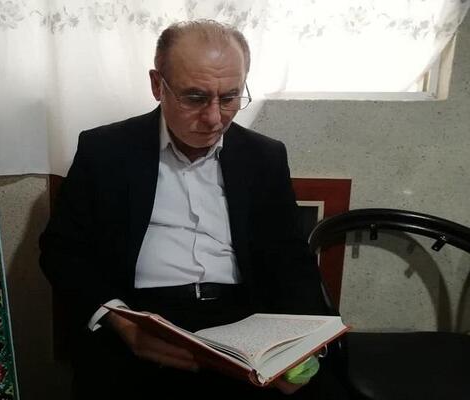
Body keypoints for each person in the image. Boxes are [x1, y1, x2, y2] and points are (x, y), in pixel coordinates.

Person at [39, 19, 349, 399]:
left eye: (229, 97)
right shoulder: (106, 151)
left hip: (243, 315)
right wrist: (121, 321)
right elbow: (62, 250)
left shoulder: (263, 156)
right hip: (143, 314)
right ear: (158, 85)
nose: (215, 118)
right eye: (195, 98)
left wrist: (300, 347)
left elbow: (289, 258)